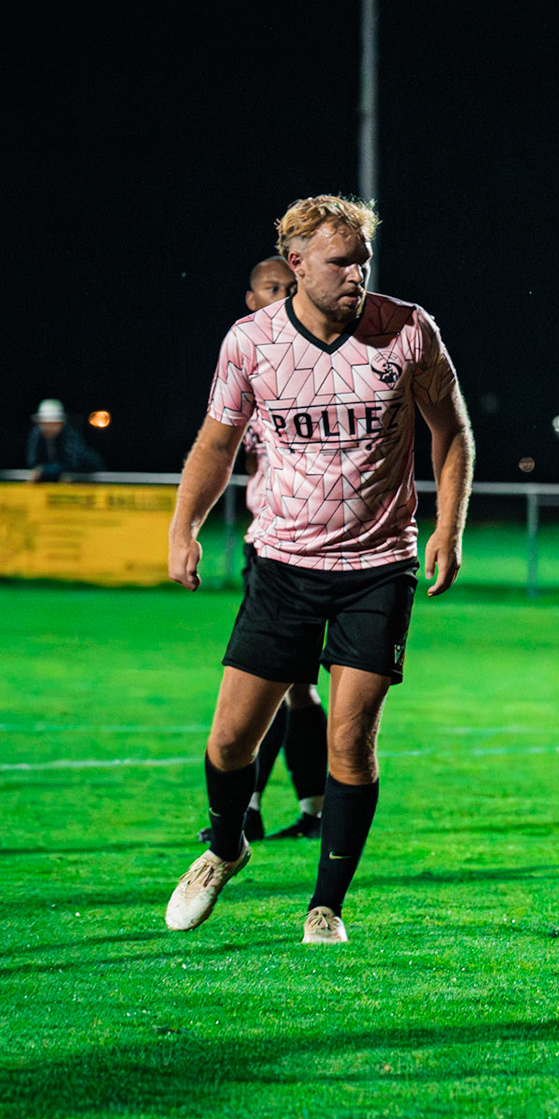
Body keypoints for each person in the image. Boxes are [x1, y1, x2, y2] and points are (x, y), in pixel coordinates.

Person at [163, 195, 475, 945]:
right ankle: (225, 847)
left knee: (352, 741)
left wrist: (449, 529)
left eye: (364, 262)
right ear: (296, 263)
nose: (357, 276)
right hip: (285, 565)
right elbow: (215, 443)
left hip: (380, 565)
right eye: (341, 262)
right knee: (230, 743)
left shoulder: (408, 329)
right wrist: (185, 528)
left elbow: (453, 429)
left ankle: (326, 905)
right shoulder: (252, 342)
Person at [193, 256, 329, 846]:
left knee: (281, 681)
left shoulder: (310, 362)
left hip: (306, 549)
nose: (284, 294)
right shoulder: (249, 359)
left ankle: (254, 808)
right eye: (273, 288)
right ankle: (302, 807)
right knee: (293, 685)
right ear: (250, 298)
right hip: (269, 546)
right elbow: (229, 450)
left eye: (291, 287)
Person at [25, 399, 105, 481]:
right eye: (44, 424)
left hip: (89, 476)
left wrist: (44, 471)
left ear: (61, 424)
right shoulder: (36, 435)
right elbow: (33, 462)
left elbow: (72, 463)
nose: (48, 428)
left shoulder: (70, 435)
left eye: (53, 424)